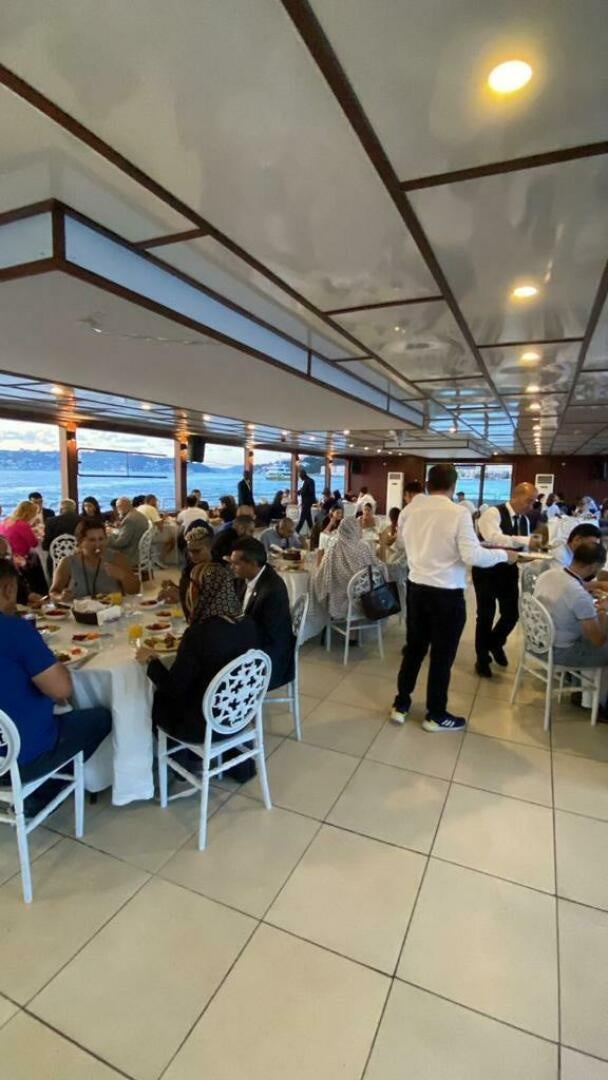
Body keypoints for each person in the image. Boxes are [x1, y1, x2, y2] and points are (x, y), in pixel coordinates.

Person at [391, 463, 517, 731]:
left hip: (416, 588)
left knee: (414, 649)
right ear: (453, 486)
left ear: (428, 484)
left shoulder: (410, 510)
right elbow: (472, 556)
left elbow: (402, 542)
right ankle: (435, 714)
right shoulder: (458, 512)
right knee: (442, 656)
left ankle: (401, 704)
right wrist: (504, 555)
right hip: (446, 595)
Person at [0, 559, 111, 785]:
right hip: (18, 759)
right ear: (8, 589)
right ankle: (43, 790)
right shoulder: (14, 630)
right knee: (101, 719)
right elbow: (62, 690)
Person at [137, 562, 258, 747]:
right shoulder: (248, 624)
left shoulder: (199, 634)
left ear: (201, 591)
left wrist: (151, 660)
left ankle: (177, 757)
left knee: (154, 698)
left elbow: (173, 687)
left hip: (202, 726)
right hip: (239, 715)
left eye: (192, 586)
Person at [473, 482, 539, 677]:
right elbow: (493, 538)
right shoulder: (493, 513)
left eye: (534, 502)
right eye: (529, 501)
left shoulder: (524, 520)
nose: (531, 506)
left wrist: (532, 553)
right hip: (486, 570)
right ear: (515, 496)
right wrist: (525, 541)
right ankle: (482, 657)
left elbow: (521, 550)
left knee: (512, 613)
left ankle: (495, 643)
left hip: (509, 571)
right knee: (485, 614)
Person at [230, 537, 295, 690]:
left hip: (268, 657)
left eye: (236, 563)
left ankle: (231, 699)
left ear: (253, 564)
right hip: (254, 641)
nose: (232, 567)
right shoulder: (247, 579)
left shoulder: (272, 590)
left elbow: (268, 635)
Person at [534, 540, 608, 669]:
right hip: (558, 653)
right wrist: (602, 610)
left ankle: (575, 680)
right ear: (594, 566)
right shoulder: (579, 596)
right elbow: (598, 640)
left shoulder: (548, 574)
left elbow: (572, 585)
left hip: (536, 642)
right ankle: (583, 680)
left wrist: (597, 585)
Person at [51, 518, 140, 600]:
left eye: (101, 539)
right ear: (80, 542)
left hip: (113, 609)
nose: (98, 544)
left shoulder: (117, 558)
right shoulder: (68, 562)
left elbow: (135, 590)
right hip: (81, 610)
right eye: (92, 540)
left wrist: (122, 576)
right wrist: (60, 596)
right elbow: (53, 592)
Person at [314, 517, 380, 620]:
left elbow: (322, 574)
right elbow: (375, 568)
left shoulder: (333, 548)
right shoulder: (363, 548)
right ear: (355, 529)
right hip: (364, 599)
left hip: (338, 601)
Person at [159, 528, 213, 619]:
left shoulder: (218, 570)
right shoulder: (191, 566)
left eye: (196, 551)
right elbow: (192, 589)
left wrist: (181, 597)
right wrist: (175, 588)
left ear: (209, 548)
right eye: (189, 551)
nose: (192, 555)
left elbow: (212, 603)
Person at [106, 496, 149, 568]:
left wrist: (108, 536)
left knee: (102, 547)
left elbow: (120, 543)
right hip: (139, 552)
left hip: (130, 555)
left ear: (123, 507)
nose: (117, 510)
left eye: (118, 508)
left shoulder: (129, 519)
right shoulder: (139, 515)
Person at [42, 498, 80, 575]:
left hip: (57, 559)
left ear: (61, 509)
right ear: (74, 509)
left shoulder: (51, 521)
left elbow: (45, 546)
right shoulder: (82, 520)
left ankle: (53, 578)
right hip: (78, 558)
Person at [295, 467, 316, 534]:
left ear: (303, 475)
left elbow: (310, 491)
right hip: (306, 502)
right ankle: (313, 533)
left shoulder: (309, 481)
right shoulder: (307, 481)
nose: (300, 478)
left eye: (300, 476)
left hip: (307, 502)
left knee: (302, 519)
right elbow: (303, 490)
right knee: (308, 519)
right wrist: (299, 491)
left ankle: (295, 533)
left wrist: (301, 492)